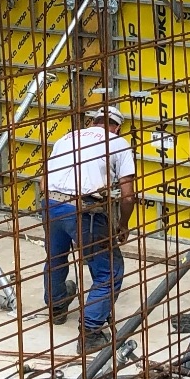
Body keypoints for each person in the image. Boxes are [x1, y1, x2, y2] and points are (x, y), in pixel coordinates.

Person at [43, 104, 137, 354]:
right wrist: (122, 224)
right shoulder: (118, 143)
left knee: (56, 258)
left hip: (51, 203)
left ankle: (57, 307)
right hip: (83, 210)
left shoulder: (67, 137)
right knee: (110, 271)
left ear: (91, 122)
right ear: (117, 127)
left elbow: (44, 178)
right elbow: (128, 196)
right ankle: (91, 331)